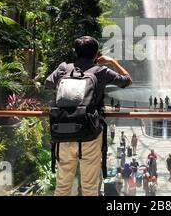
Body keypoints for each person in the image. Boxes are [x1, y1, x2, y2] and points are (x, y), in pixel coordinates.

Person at [45, 35, 132, 196]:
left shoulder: (64, 68)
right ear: (96, 53)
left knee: (62, 186)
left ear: (76, 52)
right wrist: (112, 61)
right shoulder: (101, 71)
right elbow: (127, 80)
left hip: (63, 132)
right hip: (89, 134)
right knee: (90, 187)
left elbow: (48, 83)